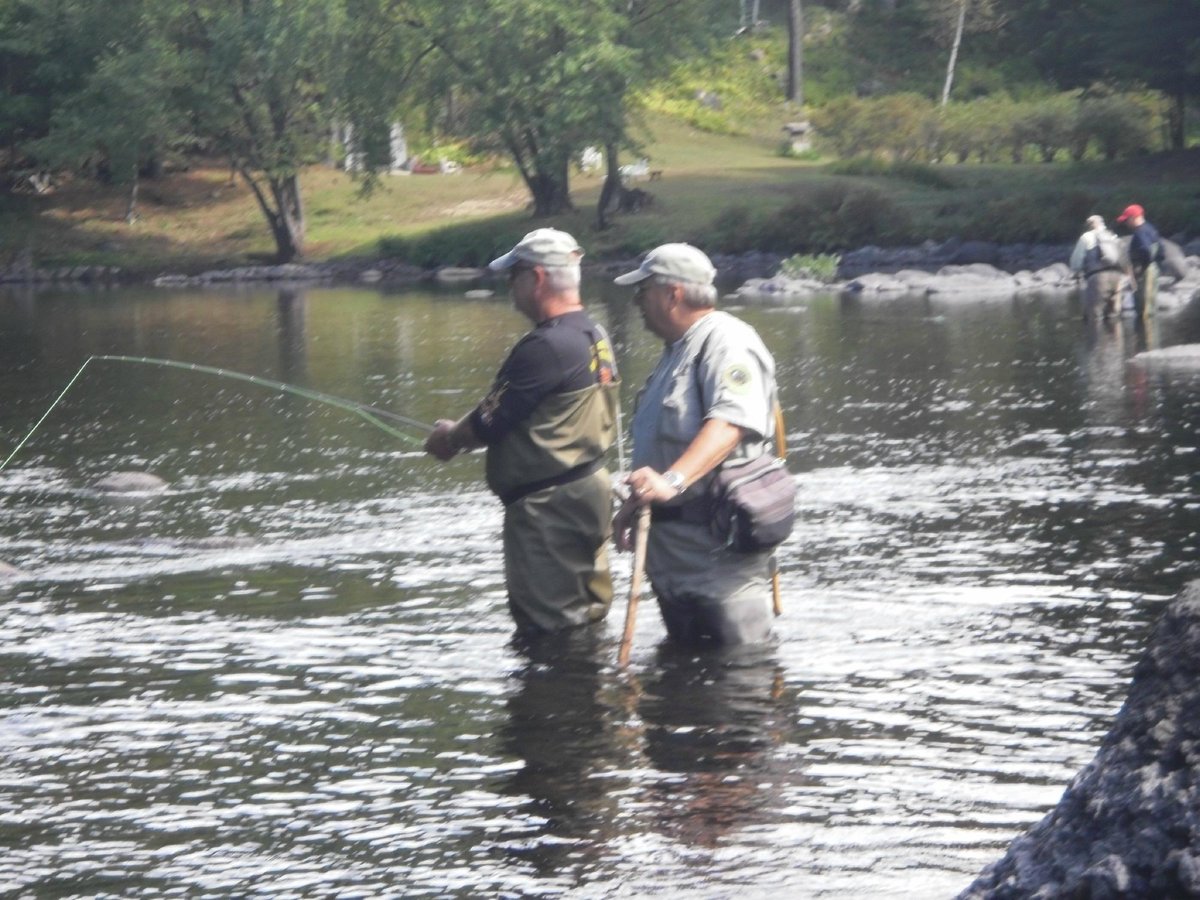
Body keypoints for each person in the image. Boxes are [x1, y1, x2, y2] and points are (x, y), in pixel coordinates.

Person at [424, 228, 620, 634]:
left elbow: (488, 422)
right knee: (586, 611)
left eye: (514, 276)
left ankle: (555, 696)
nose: (510, 287)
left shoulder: (544, 346)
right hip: (588, 490)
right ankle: (590, 689)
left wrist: (449, 437)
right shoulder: (593, 334)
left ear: (538, 278)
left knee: (548, 626)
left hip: (548, 510)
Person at [612, 243, 778, 647]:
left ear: (673, 294)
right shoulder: (678, 351)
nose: (636, 302)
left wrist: (672, 479)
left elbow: (731, 423)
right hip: (677, 561)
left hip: (719, 568)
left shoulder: (728, 342)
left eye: (643, 291)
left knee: (738, 686)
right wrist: (632, 508)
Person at [1068, 214, 1124, 322]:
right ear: (1102, 223)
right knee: (1114, 316)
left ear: (1090, 225)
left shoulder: (1086, 237)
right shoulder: (1112, 235)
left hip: (1097, 278)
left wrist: (1076, 272)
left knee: (1094, 317)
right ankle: (1117, 337)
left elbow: (1076, 260)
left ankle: (1098, 338)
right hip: (1116, 277)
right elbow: (1122, 256)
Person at [1116, 204, 1164, 320]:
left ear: (1133, 218)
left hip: (1146, 271)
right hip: (1153, 269)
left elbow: (1145, 250)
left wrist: (1142, 267)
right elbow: (1161, 251)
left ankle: (1144, 336)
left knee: (1144, 309)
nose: (1126, 223)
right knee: (1151, 306)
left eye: (1127, 220)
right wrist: (1155, 264)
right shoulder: (1150, 229)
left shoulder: (1140, 232)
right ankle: (1151, 334)